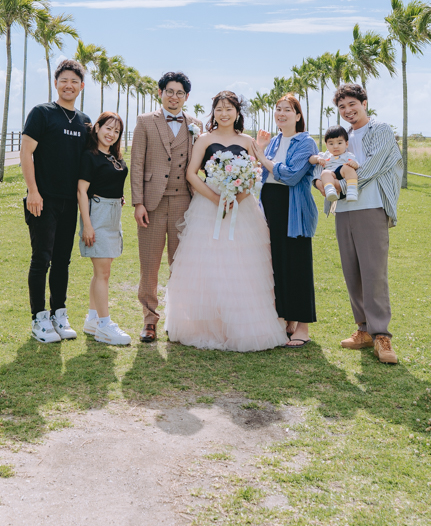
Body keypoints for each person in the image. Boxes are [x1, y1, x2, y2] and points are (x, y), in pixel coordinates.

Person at [165, 92, 287, 352]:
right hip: (208, 207)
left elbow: (254, 174)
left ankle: (240, 325)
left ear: (237, 112)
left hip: (241, 209)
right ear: (214, 112)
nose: (224, 114)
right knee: (208, 263)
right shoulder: (204, 139)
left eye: (229, 109)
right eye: (219, 109)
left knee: (242, 263)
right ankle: (207, 324)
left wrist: (236, 198)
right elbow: (191, 173)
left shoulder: (247, 141)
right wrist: (215, 198)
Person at [318, 83, 402, 365]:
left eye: (352, 104)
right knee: (351, 271)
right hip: (343, 210)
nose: (348, 110)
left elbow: (373, 166)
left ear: (364, 103)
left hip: (371, 208)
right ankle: (364, 330)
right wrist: (321, 182)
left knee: (373, 273)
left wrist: (338, 187)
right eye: (342, 107)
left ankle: (382, 335)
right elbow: (325, 163)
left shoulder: (381, 130)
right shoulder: (342, 136)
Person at [20, 59, 90, 343]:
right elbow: (26, 153)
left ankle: (58, 314)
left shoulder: (85, 122)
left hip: (69, 203)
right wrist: (33, 191)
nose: (68, 86)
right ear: (55, 83)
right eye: (64, 81)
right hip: (43, 200)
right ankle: (39, 318)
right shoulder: (42, 113)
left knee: (63, 261)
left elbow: (89, 164)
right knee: (41, 259)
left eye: (74, 81)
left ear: (81, 86)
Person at [130, 71, 201, 343]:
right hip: (152, 204)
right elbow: (137, 164)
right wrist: (138, 203)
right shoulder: (145, 121)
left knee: (180, 264)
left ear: (186, 97)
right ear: (160, 93)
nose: (174, 97)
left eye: (180, 93)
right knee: (149, 265)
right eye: (169, 91)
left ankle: (177, 319)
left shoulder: (196, 125)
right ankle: (149, 320)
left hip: (185, 202)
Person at [254, 95, 319, 348]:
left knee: (297, 264)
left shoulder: (306, 142)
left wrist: (262, 158)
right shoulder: (273, 141)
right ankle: (286, 321)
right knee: (277, 263)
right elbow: (262, 174)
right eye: (278, 109)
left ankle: (302, 327)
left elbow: (291, 176)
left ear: (298, 116)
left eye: (288, 110)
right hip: (270, 205)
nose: (281, 114)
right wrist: (261, 152)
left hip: (293, 208)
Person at [77, 111, 131, 346]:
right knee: (103, 274)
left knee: (102, 271)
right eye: (108, 128)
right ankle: (105, 325)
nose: (112, 134)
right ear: (97, 128)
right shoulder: (90, 156)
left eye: (117, 131)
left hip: (113, 214)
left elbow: (111, 180)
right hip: (97, 214)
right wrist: (87, 225)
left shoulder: (115, 157)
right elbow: (81, 191)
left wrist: (118, 197)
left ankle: (92, 319)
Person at [311, 125, 360, 203]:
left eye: (339, 143)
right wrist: (318, 159)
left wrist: (354, 164)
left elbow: (357, 165)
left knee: (347, 168)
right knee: (325, 173)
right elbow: (311, 159)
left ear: (346, 144)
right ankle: (330, 190)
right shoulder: (325, 155)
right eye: (331, 144)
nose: (335, 146)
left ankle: (352, 189)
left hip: (342, 176)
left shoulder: (348, 155)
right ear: (326, 145)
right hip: (331, 176)